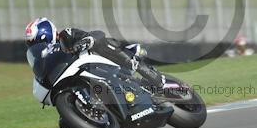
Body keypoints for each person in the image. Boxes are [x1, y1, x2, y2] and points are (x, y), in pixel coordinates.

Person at [24, 17, 166, 89]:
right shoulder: (46, 59)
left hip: (101, 61)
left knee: (100, 42)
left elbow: (96, 34)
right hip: (84, 76)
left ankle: (139, 67)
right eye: (32, 44)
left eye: (37, 41)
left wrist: (85, 41)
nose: (37, 46)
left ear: (47, 34)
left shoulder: (66, 35)